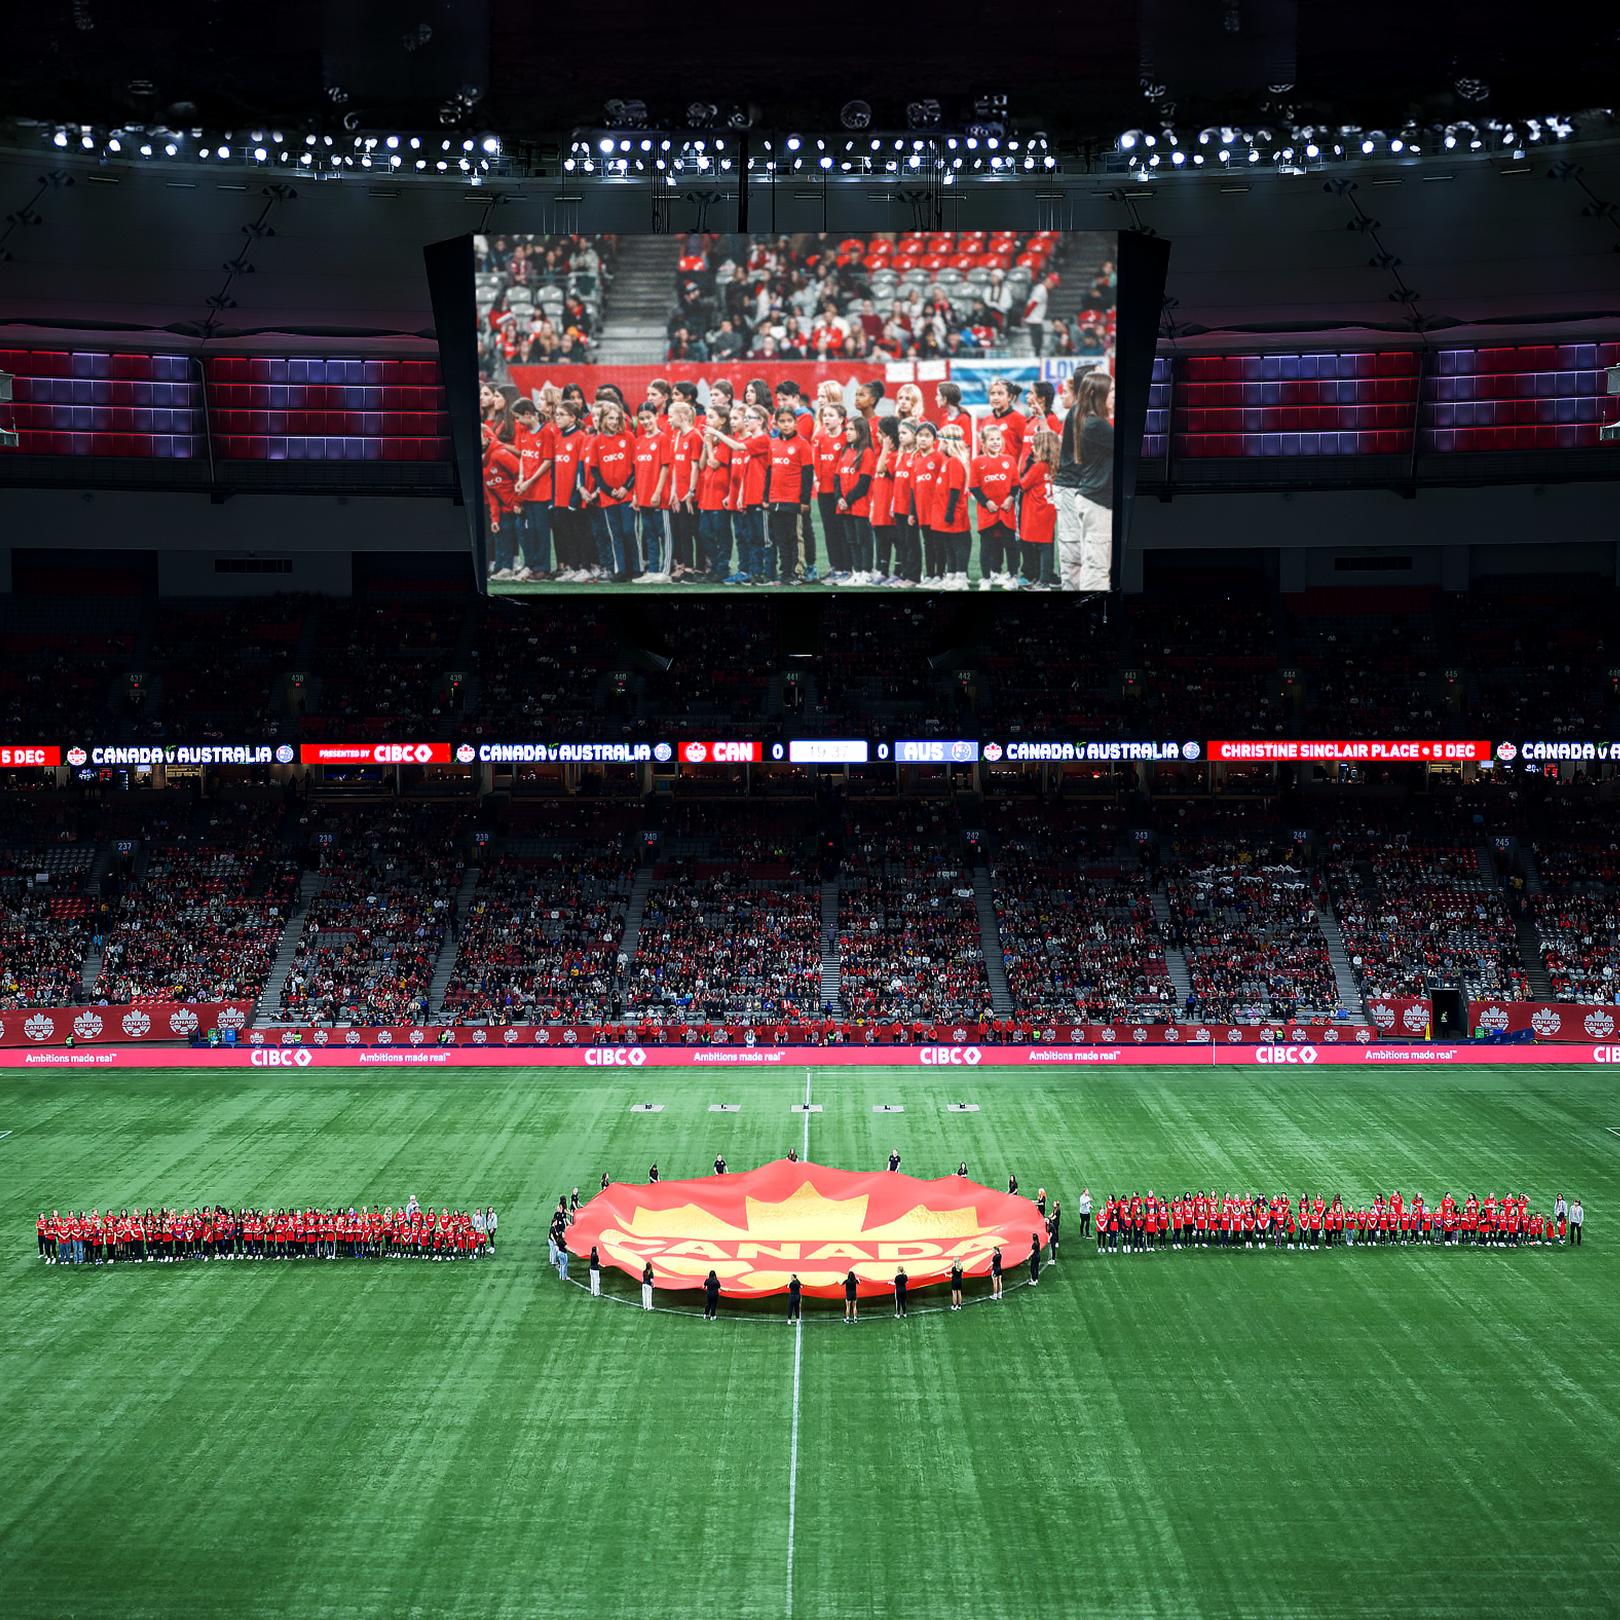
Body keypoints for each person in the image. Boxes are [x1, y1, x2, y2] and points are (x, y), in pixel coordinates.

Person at [1055, 369, 1114, 593]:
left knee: (1091, 560)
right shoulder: (1095, 423)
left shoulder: (1086, 418)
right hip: (1088, 495)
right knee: (1093, 562)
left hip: (1086, 494)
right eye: (1110, 390)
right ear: (1093, 392)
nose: (1114, 395)